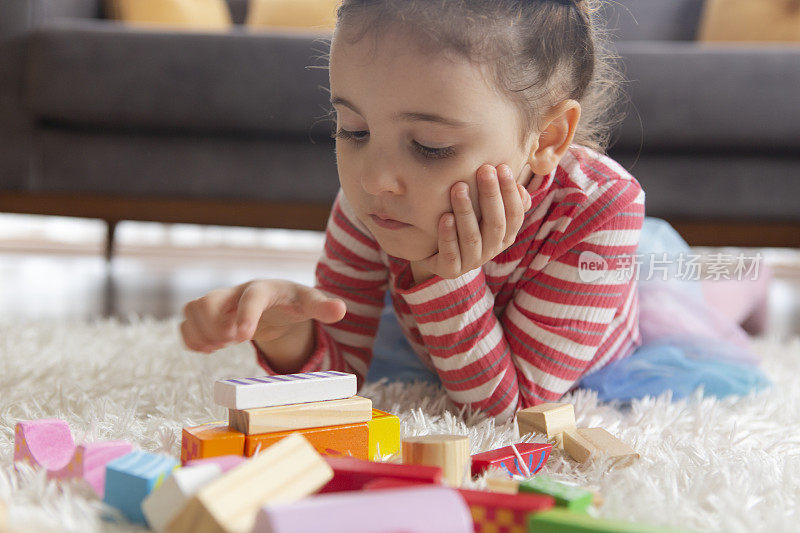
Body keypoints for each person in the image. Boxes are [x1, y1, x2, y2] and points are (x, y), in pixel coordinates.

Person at [179, 0, 747, 421]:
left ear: (547, 136)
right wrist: (288, 336)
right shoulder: (374, 199)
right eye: (353, 129)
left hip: (591, 314)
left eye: (430, 146)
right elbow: (339, 378)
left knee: (693, 292)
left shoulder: (602, 209)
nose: (374, 177)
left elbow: (511, 413)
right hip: (457, 332)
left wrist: (438, 276)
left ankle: (748, 283)